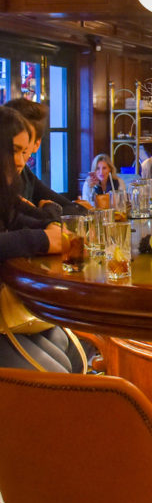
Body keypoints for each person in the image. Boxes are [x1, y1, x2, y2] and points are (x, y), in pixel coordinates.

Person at [0, 106, 82, 372]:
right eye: (14, 151)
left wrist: (52, 226)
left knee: (70, 352)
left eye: (24, 152)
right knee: (60, 374)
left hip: (10, 307)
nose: (21, 161)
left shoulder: (7, 189)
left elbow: (24, 217)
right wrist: (43, 239)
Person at [4, 98, 89, 214]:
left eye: (22, 151)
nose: (19, 162)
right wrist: (43, 212)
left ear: (36, 144)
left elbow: (74, 210)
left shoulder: (25, 175)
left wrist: (44, 211)